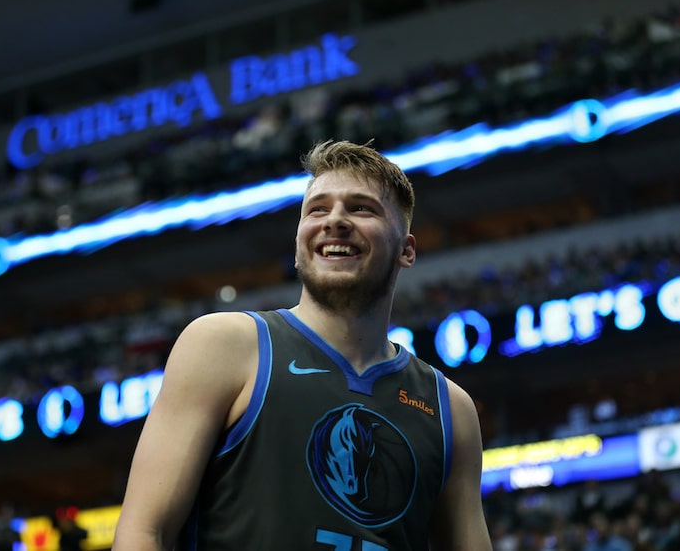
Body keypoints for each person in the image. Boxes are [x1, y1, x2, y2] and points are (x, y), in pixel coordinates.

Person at [112, 140, 491, 550]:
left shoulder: (449, 408)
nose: (335, 221)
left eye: (361, 208)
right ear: (297, 246)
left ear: (406, 250)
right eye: (318, 209)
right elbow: (144, 532)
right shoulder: (224, 346)